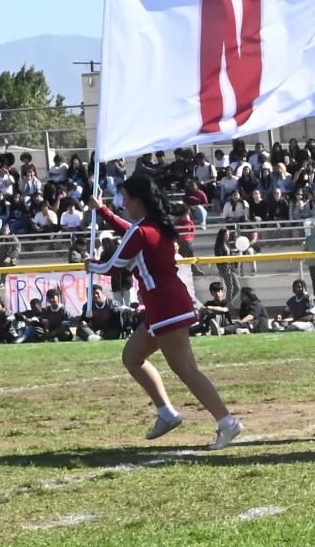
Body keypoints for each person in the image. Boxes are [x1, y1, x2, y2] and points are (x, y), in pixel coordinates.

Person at [89, 172, 243, 449]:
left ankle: (227, 422)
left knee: (185, 369)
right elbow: (129, 232)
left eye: (125, 198)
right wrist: (103, 211)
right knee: (132, 357)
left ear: (137, 200)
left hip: (166, 306)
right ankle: (167, 413)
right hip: (165, 304)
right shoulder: (153, 226)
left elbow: (114, 265)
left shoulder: (142, 231)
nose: (122, 203)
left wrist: (91, 266)